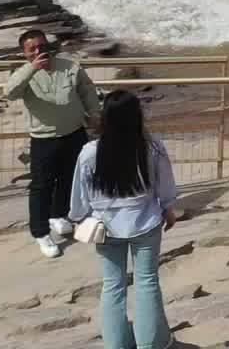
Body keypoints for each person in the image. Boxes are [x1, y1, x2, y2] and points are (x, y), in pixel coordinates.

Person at [69, 90, 178, 349]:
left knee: (113, 285)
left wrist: (78, 217)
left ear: (105, 117)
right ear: (136, 115)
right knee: (147, 281)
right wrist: (168, 207)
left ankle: (116, 344)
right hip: (146, 221)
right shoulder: (151, 145)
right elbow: (165, 184)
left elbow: (79, 196)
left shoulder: (89, 152)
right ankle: (151, 343)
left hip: (106, 226)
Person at [4, 28, 102, 258]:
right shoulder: (23, 73)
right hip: (44, 139)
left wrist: (94, 113)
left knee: (70, 178)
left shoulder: (68, 65)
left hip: (74, 133)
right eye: (32, 49)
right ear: (24, 53)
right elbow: (10, 93)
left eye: (42, 45)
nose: (39, 51)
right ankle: (40, 233)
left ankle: (59, 215)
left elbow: (86, 90)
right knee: (41, 187)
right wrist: (32, 68)